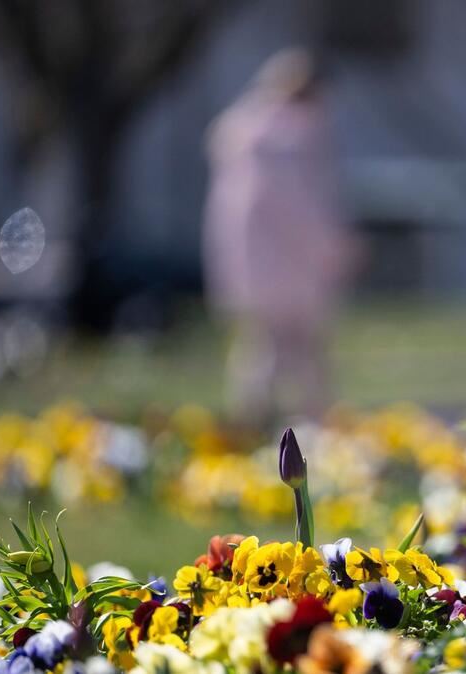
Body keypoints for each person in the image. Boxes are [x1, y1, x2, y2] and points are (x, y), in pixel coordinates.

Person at [203, 48, 356, 423]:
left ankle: (253, 424)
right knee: (301, 355)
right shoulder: (287, 140)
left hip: (252, 266)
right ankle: (312, 428)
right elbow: (301, 208)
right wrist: (335, 249)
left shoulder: (243, 134)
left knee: (259, 349)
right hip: (291, 265)